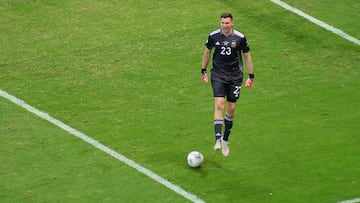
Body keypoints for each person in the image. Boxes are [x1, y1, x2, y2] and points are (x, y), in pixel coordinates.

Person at [200, 12, 254, 157]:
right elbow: (207, 53)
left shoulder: (240, 38)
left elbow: (247, 56)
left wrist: (251, 76)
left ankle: (225, 140)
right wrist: (203, 70)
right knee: (219, 104)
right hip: (218, 75)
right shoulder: (213, 36)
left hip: (235, 77)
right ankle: (217, 139)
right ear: (220, 23)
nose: (225, 26)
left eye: (227, 23)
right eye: (223, 23)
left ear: (232, 23)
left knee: (231, 108)